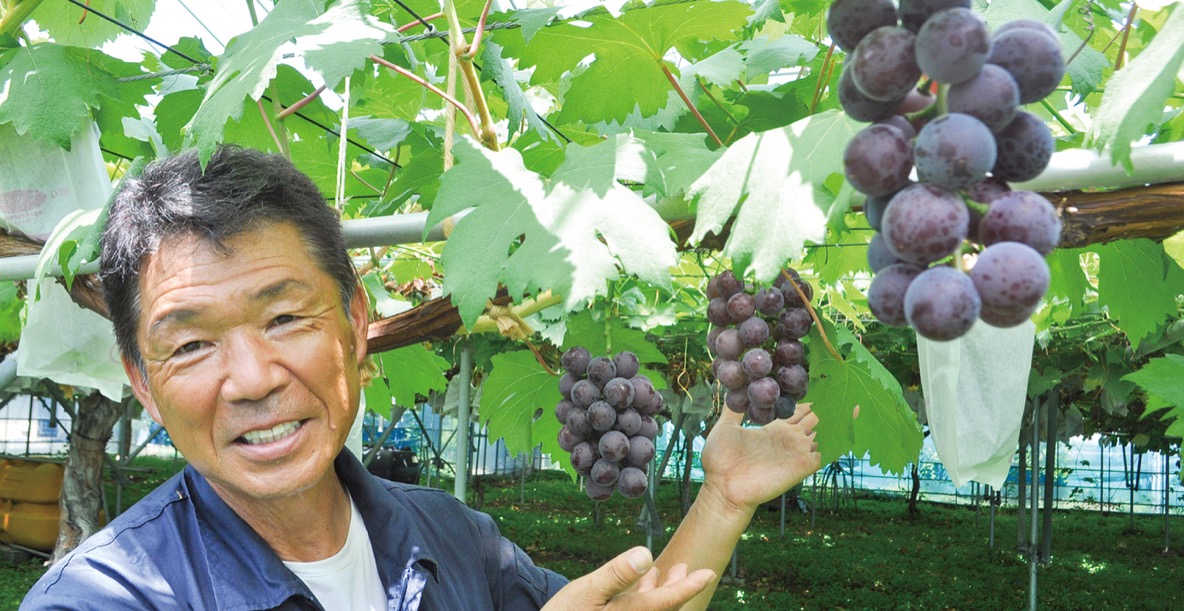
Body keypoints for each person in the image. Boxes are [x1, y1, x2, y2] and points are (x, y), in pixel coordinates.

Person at [21, 147, 823, 610]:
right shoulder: (101, 598)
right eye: (191, 345)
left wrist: (723, 497)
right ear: (143, 381)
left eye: (284, 318)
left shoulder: (449, 537)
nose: (253, 378)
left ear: (356, 321)